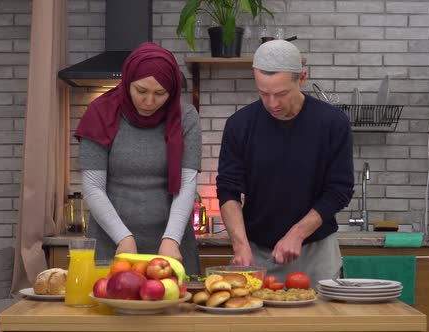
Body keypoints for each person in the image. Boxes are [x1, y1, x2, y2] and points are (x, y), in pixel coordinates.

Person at [216, 40, 354, 283]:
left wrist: (297, 233)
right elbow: (228, 190)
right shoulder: (239, 125)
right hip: (256, 253)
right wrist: (240, 246)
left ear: (301, 78)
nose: (272, 104)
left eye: (281, 94)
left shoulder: (332, 123)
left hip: (316, 254)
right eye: (263, 93)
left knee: (321, 320)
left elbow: (339, 190)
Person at [74, 42, 201, 274]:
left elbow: (186, 184)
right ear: (127, 81)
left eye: (160, 93)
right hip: (112, 244)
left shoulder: (186, 118)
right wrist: (123, 238)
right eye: (141, 91)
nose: (149, 101)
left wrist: (172, 238)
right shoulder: (99, 113)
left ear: (172, 92)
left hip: (170, 246)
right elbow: (93, 187)